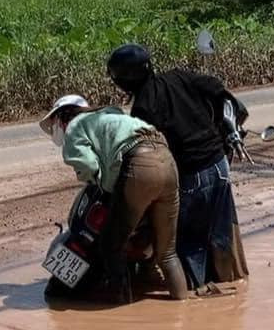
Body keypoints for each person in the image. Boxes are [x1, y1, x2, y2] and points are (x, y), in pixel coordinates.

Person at [106, 46, 248, 291]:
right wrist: (227, 127)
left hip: (190, 174)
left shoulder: (142, 108)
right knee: (223, 233)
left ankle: (198, 297)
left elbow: (152, 155)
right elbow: (220, 92)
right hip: (219, 164)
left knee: (189, 243)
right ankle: (234, 285)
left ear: (123, 81)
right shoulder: (179, 76)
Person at [39, 94, 187, 304]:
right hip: (166, 160)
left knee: (111, 246)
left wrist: (97, 181)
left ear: (63, 118)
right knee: (168, 254)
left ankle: (121, 309)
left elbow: (89, 166)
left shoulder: (75, 127)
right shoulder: (111, 115)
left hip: (138, 166)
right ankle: (182, 308)